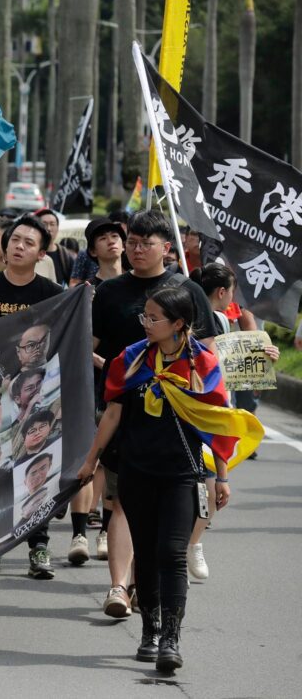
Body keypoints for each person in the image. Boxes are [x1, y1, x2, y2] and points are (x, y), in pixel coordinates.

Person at [77, 285, 256, 673]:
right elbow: (112, 414)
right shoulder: (131, 358)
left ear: (178, 324)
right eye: (144, 315)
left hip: (182, 473)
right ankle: (150, 630)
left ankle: (171, 638)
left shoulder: (202, 364)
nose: (146, 323)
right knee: (145, 551)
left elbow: (219, 422)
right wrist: (91, 461)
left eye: (153, 318)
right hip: (136, 470)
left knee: (172, 555)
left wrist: (221, 476)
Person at [90, 210, 218, 615]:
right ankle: (118, 588)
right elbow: (87, 343)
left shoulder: (186, 290)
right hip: (121, 408)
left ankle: (149, 584)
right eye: (132, 243)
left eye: (146, 244)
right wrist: (111, 369)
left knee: (165, 509)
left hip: (178, 419)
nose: (136, 250)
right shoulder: (110, 292)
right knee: (122, 500)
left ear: (167, 247)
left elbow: (210, 350)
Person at [186, 263, 278, 580]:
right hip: (187, 408)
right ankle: (177, 546)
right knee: (190, 485)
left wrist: (262, 356)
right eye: (232, 291)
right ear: (222, 291)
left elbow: (232, 366)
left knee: (214, 487)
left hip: (219, 411)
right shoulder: (185, 314)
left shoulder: (224, 320)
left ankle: (193, 543)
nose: (233, 297)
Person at [82, 217, 126, 287]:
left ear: (123, 246)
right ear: (93, 251)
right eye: (103, 238)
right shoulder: (88, 289)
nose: (111, 241)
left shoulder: (137, 282)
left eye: (114, 236)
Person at [34, 209, 73, 285]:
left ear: (58, 228)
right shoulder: (30, 253)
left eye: (52, 224)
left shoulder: (65, 256)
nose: (48, 228)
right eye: (44, 224)